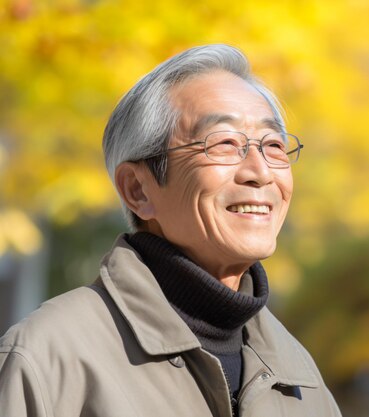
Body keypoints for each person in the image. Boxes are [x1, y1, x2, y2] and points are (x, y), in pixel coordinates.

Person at [0, 44, 341, 417]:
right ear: (138, 190)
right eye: (224, 143)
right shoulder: (49, 359)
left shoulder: (302, 379)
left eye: (273, 145)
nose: (260, 172)